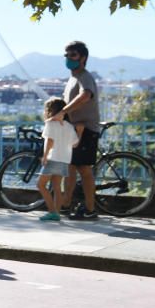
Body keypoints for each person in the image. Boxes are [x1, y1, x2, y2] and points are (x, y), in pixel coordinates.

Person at [52, 40, 101, 220]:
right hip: (73, 130)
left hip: (85, 129)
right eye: (67, 55)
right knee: (70, 168)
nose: (68, 59)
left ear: (83, 58)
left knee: (84, 169)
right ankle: (66, 204)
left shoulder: (84, 76)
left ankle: (90, 209)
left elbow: (86, 95)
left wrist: (64, 111)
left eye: (73, 55)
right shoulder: (73, 78)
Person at [38, 98, 81, 221]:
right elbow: (75, 144)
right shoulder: (69, 126)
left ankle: (52, 212)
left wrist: (45, 156)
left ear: (50, 110)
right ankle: (56, 212)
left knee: (40, 185)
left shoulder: (50, 123)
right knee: (57, 187)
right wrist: (80, 132)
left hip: (53, 157)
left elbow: (49, 141)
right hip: (65, 159)